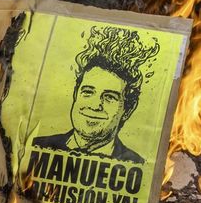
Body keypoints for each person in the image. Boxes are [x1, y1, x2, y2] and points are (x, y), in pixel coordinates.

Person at [30, 26, 159, 162]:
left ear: (128, 109)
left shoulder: (136, 165)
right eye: (88, 92)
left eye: (109, 97)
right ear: (76, 94)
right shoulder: (37, 147)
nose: (95, 105)